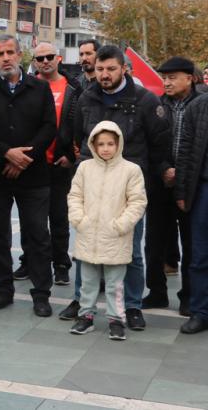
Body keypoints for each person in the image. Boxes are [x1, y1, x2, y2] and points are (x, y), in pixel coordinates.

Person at [65, 45, 170, 331]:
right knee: (85, 249)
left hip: (127, 186)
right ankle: (81, 304)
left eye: (111, 69)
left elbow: (159, 141)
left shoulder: (144, 100)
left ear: (123, 68)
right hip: (92, 184)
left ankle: (132, 306)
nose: (104, 74)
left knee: (132, 252)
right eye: (100, 69)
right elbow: (79, 136)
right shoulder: (86, 98)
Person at [0, 35, 57, 317]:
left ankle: (41, 293)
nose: (5, 57)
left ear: (20, 55)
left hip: (33, 176)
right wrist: (7, 153)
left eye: (10, 52)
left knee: (38, 235)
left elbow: (48, 127)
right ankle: (3, 289)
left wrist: (24, 158)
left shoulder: (39, 88)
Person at [67, 121, 147, 340]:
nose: (105, 148)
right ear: (92, 144)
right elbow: (75, 195)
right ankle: (86, 316)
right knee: (88, 282)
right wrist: (79, 219)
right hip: (88, 236)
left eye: (110, 143)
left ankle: (116, 319)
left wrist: (121, 225)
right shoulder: (85, 168)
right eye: (100, 143)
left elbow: (137, 202)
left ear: (118, 144)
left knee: (115, 284)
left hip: (116, 238)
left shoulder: (131, 170)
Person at [144, 57, 200, 315]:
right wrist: (163, 168)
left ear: (189, 78)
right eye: (164, 77)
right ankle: (156, 292)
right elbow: (150, 143)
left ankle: (189, 296)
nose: (166, 82)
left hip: (191, 187)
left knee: (191, 245)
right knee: (154, 242)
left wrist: (183, 174)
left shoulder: (202, 105)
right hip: (159, 184)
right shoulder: (157, 105)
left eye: (172, 77)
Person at [27, 42, 81, 287]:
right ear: (34, 62)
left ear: (59, 58)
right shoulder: (27, 87)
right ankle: (29, 261)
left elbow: (79, 124)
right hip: (32, 164)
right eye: (40, 58)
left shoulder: (73, 87)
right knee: (32, 220)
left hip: (60, 163)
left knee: (59, 218)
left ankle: (61, 265)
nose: (45, 61)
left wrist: (72, 155)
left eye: (49, 56)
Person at [175, 91, 208, 334]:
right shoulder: (198, 107)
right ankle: (200, 312)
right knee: (199, 256)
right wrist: (182, 192)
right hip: (202, 189)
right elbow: (184, 152)